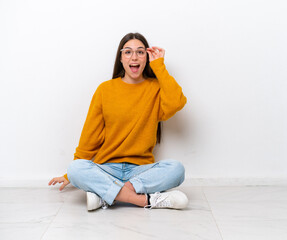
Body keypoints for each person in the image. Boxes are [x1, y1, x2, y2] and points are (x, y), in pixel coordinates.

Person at [48, 32, 188, 211]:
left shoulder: (155, 88)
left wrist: (159, 66)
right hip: (107, 169)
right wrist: (70, 175)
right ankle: (145, 200)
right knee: (76, 168)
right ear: (121, 58)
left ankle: (105, 196)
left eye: (140, 52)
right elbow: (90, 135)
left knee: (176, 169)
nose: (134, 57)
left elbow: (177, 102)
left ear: (147, 57)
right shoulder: (105, 89)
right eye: (128, 52)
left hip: (140, 171)